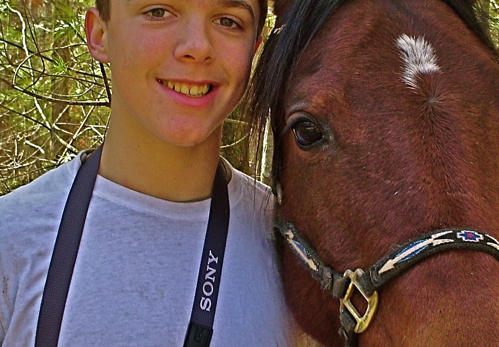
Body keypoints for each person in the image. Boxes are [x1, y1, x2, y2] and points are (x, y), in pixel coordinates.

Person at [0, 0, 291, 346]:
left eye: (228, 21)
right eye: (158, 12)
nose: (197, 47)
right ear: (99, 34)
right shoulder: (11, 241)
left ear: (255, 48)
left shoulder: (294, 252)